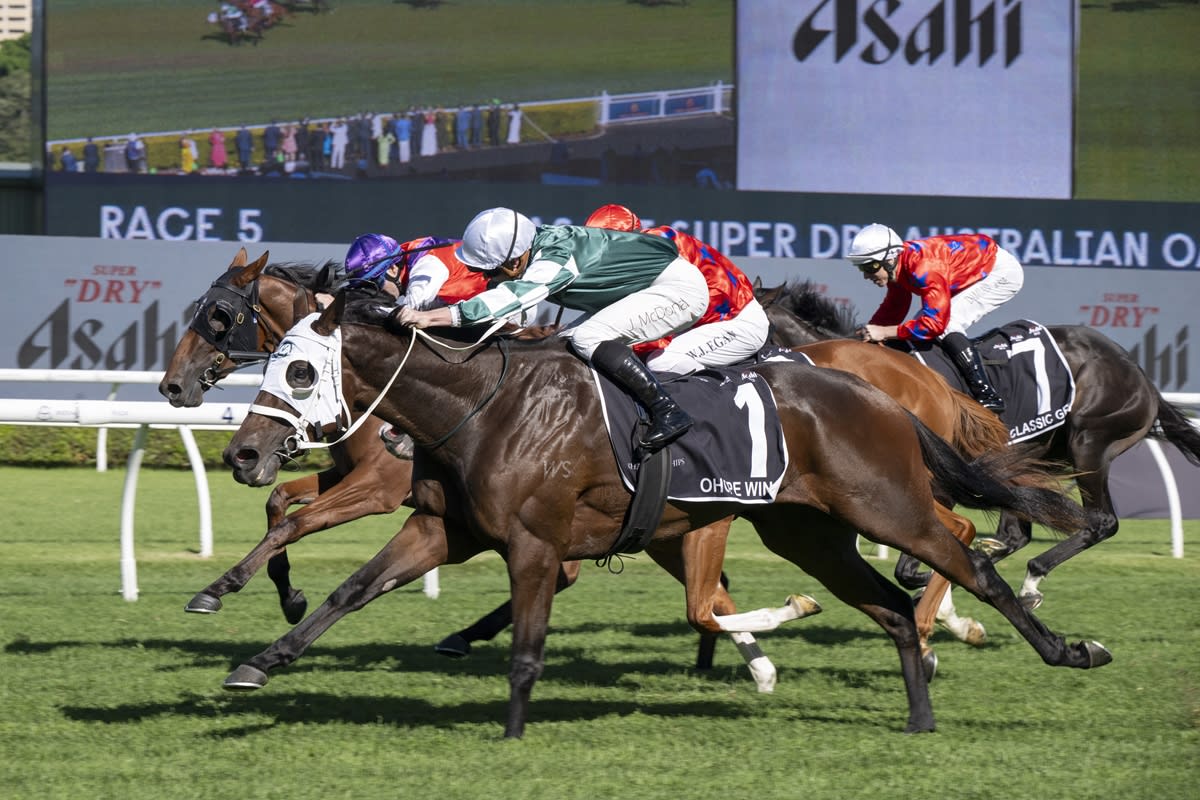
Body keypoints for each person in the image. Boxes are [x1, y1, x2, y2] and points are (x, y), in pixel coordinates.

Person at [397, 208, 726, 451]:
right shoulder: (534, 248)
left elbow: (512, 298)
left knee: (587, 338)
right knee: (559, 346)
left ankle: (668, 412)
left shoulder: (555, 258)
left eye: (490, 272)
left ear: (514, 262)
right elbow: (514, 312)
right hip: (645, 290)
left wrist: (431, 318)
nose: (487, 278)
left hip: (678, 291)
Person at [846, 223, 1024, 413]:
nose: (866, 275)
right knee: (921, 324)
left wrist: (884, 332)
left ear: (890, 259)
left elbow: (935, 325)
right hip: (969, 271)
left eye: (870, 266)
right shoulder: (898, 265)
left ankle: (987, 394)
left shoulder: (924, 267)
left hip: (999, 273)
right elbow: (896, 306)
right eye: (861, 267)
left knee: (947, 324)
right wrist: (868, 334)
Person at [583, 204, 769, 376]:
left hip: (738, 324)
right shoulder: (649, 247)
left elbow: (659, 326)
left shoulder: (657, 254)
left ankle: (721, 394)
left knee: (662, 362)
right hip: (709, 322)